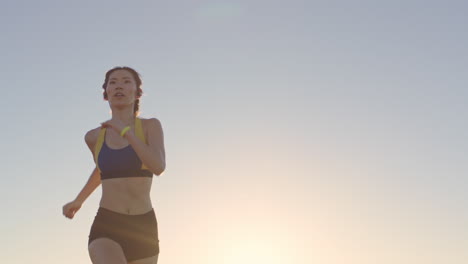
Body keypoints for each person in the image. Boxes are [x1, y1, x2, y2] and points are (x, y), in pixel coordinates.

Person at [62, 66, 166, 264]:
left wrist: (126, 132)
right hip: (108, 224)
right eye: (113, 82)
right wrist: (79, 200)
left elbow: (158, 166)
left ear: (137, 93)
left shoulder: (150, 126)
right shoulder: (93, 137)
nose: (119, 86)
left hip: (143, 227)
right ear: (106, 93)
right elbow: (103, 169)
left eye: (127, 81)